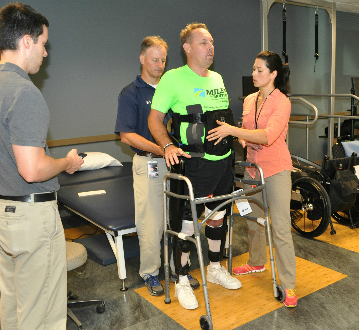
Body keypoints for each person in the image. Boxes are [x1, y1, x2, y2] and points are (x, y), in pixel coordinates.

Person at [0, 3, 84, 329]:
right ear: (27, 41)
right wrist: (66, 162)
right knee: (41, 313)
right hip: (30, 219)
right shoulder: (24, 92)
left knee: (14, 300)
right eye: (44, 44)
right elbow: (31, 170)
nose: (45, 54)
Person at [148, 22, 241, 310]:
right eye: (203, 42)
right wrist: (167, 145)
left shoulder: (218, 79)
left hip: (224, 162)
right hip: (194, 163)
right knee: (187, 223)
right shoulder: (173, 79)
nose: (210, 47)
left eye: (211, 42)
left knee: (217, 216)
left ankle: (214, 267)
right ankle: (183, 279)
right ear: (187, 47)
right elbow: (155, 120)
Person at [206, 51, 297, 307]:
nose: (254, 74)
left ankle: (288, 285)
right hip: (252, 170)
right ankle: (257, 262)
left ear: (273, 74)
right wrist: (242, 138)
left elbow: (268, 136)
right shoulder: (248, 100)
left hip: (276, 169)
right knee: (251, 219)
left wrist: (233, 131)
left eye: (259, 70)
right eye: (254, 69)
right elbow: (249, 132)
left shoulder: (282, 102)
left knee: (280, 228)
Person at [114, 36, 199, 296]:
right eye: (155, 59)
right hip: (149, 164)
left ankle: (177, 269)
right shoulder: (131, 93)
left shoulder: (170, 88)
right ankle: (150, 273)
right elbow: (126, 135)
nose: (160, 64)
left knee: (176, 220)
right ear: (142, 59)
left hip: (175, 164)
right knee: (150, 224)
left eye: (163, 60)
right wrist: (163, 148)